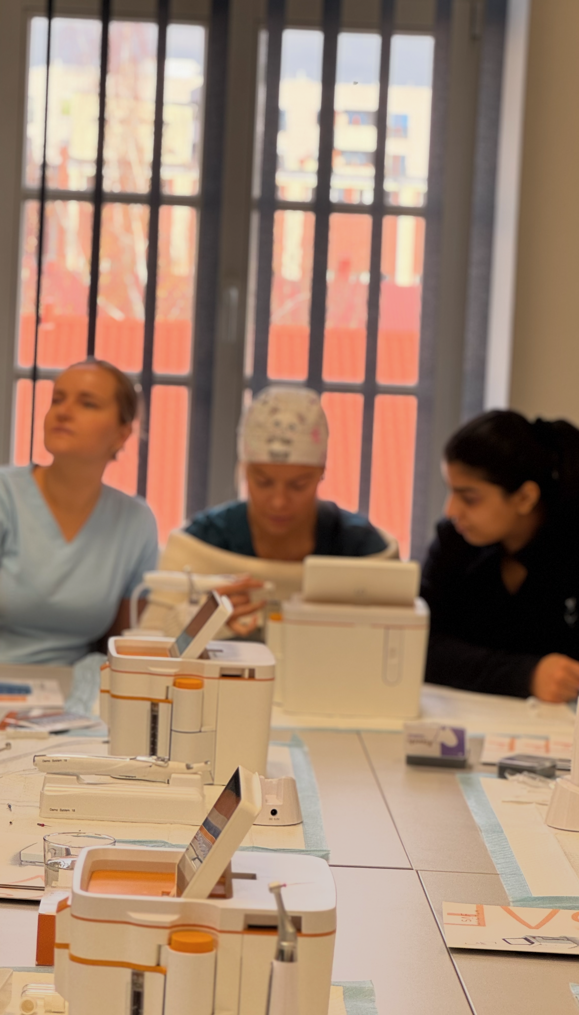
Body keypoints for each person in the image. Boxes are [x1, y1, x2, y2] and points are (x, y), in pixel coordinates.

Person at [0, 358, 158, 668]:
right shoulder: (6, 495)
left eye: (88, 403)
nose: (63, 411)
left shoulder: (136, 522)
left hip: (75, 686)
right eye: (57, 399)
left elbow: (123, 645)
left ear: (122, 433)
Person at [420, 409, 579, 702]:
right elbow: (420, 645)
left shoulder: (570, 552)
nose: (451, 511)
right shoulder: (454, 541)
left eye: (469, 498)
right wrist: (525, 675)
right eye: (450, 491)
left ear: (524, 498)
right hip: (464, 715)